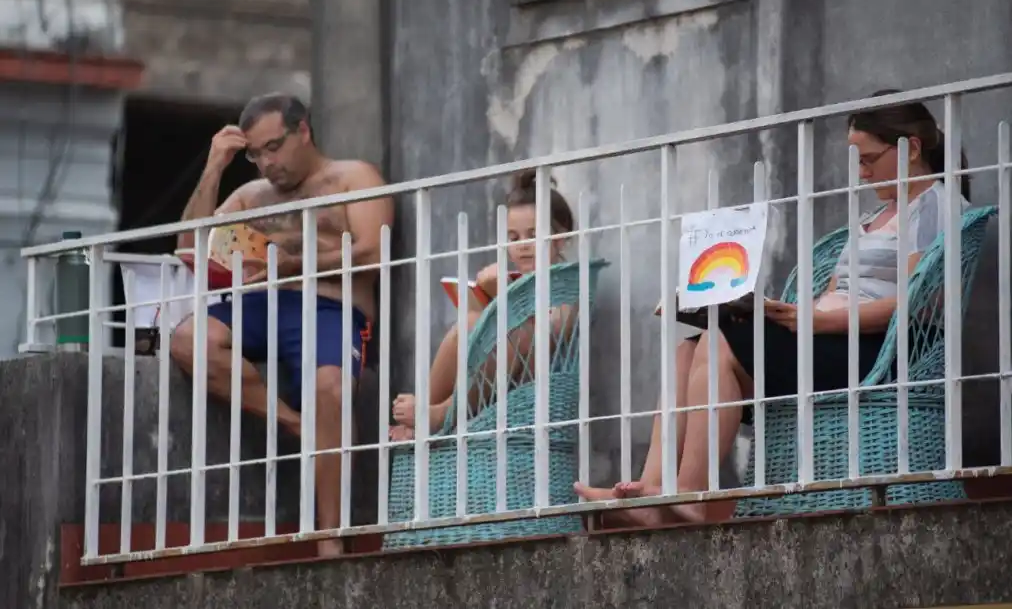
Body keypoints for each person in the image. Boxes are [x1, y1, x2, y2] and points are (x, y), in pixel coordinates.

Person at [575, 91, 971, 525]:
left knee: (718, 343)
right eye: (858, 161)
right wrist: (775, 313)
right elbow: (836, 293)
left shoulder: (935, 204)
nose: (862, 172)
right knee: (687, 350)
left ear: (911, 149)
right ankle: (648, 491)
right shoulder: (874, 218)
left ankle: (691, 495)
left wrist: (818, 322)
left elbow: (915, 305)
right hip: (826, 336)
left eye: (869, 159)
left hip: (872, 351)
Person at [169, 92, 394, 557]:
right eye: (255, 154)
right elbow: (189, 245)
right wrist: (214, 166)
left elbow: (374, 251)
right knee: (189, 339)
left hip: (330, 305)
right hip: (260, 305)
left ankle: (329, 537)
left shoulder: (352, 177)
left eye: (274, 147)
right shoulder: (251, 195)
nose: (267, 163)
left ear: (303, 130)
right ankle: (295, 425)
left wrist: (297, 264)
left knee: (331, 387)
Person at [389, 170, 575, 441]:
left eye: (534, 234)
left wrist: (503, 293)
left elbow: (550, 335)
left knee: (506, 334)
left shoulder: (568, 283)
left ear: (560, 237)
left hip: (534, 377)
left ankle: (443, 413)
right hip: (493, 380)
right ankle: (425, 410)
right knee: (470, 322)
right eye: (513, 238)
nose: (523, 245)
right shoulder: (514, 277)